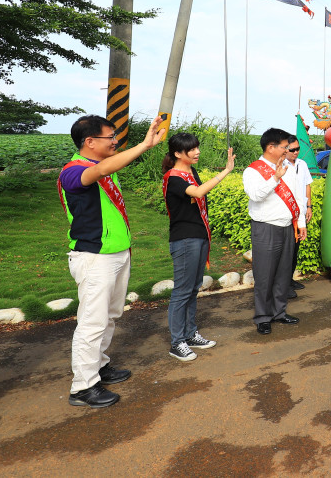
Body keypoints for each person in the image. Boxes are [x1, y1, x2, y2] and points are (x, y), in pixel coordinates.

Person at [58, 114, 166, 408]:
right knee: (92, 322)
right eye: (111, 137)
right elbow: (102, 169)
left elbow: (107, 168)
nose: (115, 142)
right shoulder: (72, 171)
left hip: (117, 253)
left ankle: (99, 366)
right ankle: (83, 386)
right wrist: (144, 145)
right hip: (95, 257)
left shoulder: (101, 167)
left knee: (110, 316)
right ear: (90, 142)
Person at [161, 133, 235, 362]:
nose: (197, 152)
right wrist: (226, 171)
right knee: (182, 291)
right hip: (185, 239)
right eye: (191, 149)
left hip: (200, 236)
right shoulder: (173, 177)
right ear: (177, 153)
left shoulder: (191, 172)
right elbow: (198, 193)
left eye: (197, 148)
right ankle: (177, 342)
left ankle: (190, 334)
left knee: (193, 288)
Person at [243, 129, 307, 335]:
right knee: (265, 275)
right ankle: (263, 317)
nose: (287, 150)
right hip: (266, 228)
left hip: (288, 226)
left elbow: (298, 197)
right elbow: (255, 195)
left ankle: (279, 312)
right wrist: (275, 179)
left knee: (282, 274)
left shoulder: (288, 166)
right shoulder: (253, 170)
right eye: (284, 147)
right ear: (271, 147)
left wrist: (301, 222)